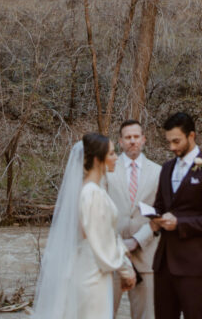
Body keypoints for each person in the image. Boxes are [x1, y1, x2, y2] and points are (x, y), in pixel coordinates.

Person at [31, 132, 135, 319]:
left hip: (89, 267)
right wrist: (125, 270)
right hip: (92, 273)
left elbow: (107, 234)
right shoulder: (92, 194)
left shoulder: (91, 190)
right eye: (111, 153)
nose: (116, 158)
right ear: (97, 159)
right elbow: (101, 240)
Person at [151, 111, 202, 319]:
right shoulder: (166, 168)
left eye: (176, 141)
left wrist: (180, 223)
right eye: (169, 142)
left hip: (195, 265)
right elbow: (159, 205)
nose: (172, 147)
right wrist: (155, 220)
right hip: (164, 263)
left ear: (191, 136)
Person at [107, 119, 161, 319]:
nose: (132, 141)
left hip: (146, 252)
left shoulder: (158, 171)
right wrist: (117, 243)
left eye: (136, 137)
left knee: (146, 315)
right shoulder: (107, 168)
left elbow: (161, 213)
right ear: (120, 141)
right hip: (112, 253)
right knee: (104, 313)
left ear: (143, 139)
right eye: (127, 137)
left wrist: (137, 240)